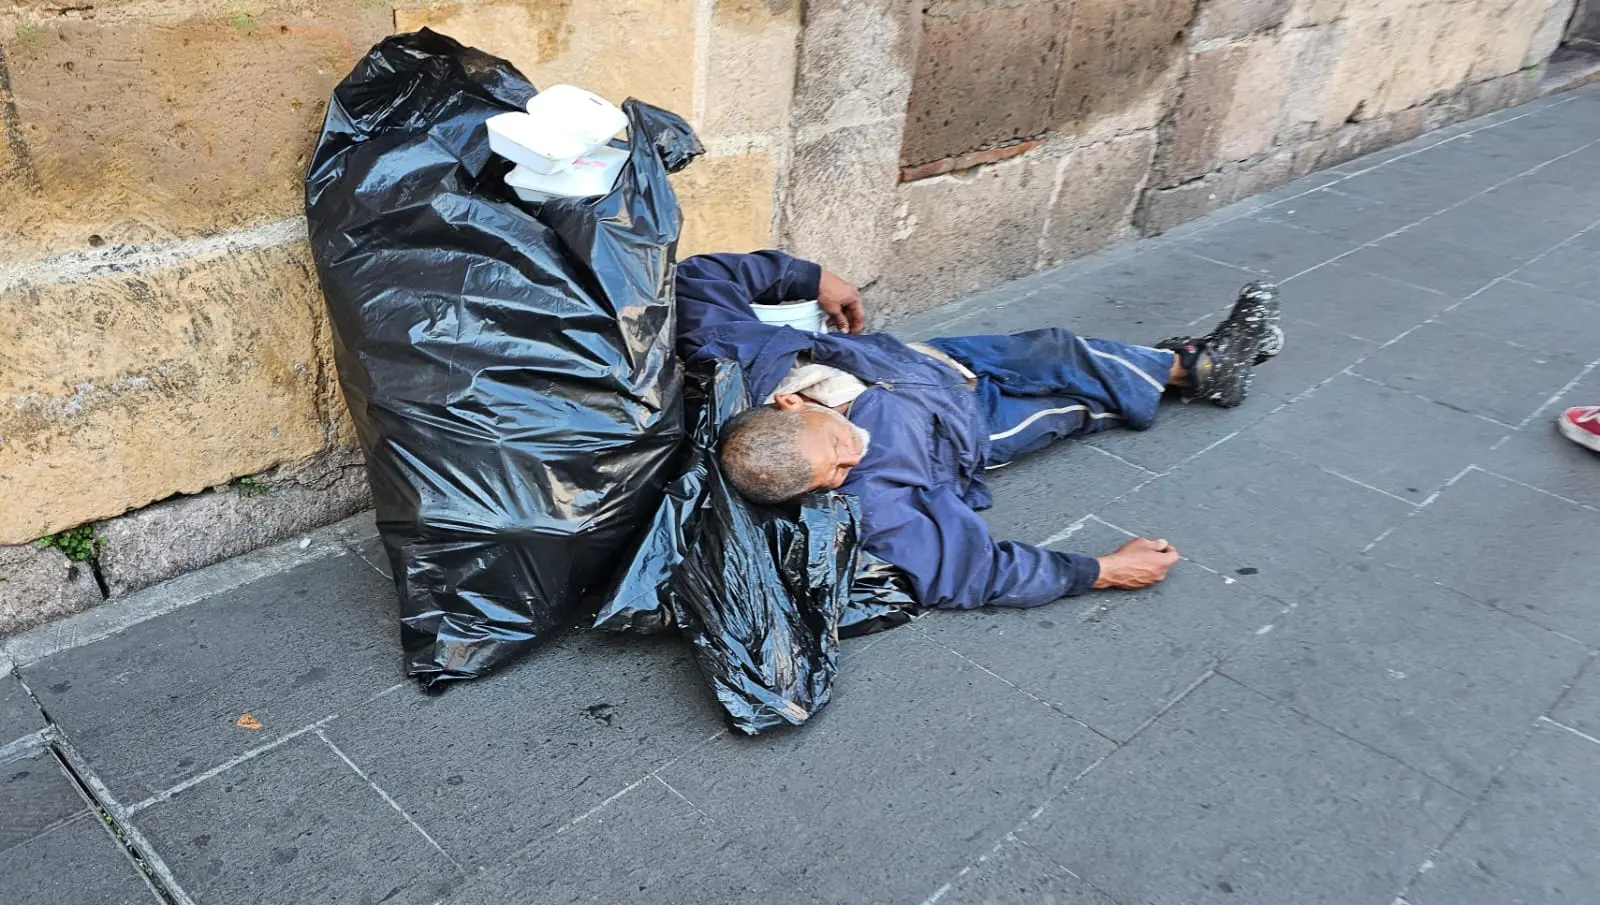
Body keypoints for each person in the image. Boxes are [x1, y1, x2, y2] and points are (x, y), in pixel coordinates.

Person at [674, 250, 1282, 611]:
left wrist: (812, 278)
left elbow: (698, 279)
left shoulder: (735, 352)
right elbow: (966, 572)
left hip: (924, 360)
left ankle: (1194, 367)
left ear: (787, 403)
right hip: (971, 429)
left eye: (834, 447)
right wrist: (1104, 569)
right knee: (1073, 404)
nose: (849, 463)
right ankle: (1200, 368)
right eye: (831, 478)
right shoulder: (873, 495)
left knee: (1056, 348)